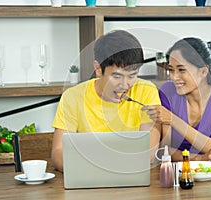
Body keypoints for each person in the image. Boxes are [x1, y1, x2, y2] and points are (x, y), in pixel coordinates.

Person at [51, 30, 161, 172]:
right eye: (116, 76)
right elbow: (58, 153)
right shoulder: (72, 97)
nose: (125, 84)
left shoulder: (147, 91)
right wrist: (95, 168)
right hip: (87, 178)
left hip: (131, 180)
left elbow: (148, 152)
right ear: (98, 68)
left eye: (132, 75)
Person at [143, 37, 211, 162]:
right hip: (179, 173)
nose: (174, 77)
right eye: (171, 70)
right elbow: (166, 150)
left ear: (204, 71)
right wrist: (201, 158)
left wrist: (174, 120)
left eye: (181, 70)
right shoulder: (168, 92)